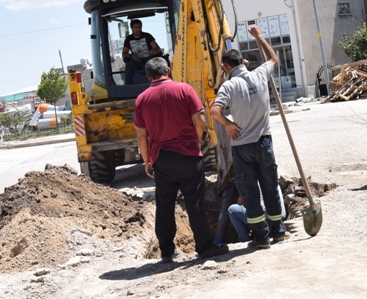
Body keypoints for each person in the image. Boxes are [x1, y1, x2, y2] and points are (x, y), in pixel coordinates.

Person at [134, 57, 226, 262]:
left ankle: (167, 251)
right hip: (188, 155)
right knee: (195, 202)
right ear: (168, 71)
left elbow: (141, 135)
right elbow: (200, 121)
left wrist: (147, 162)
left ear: (148, 77)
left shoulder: (141, 99)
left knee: (164, 205)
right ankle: (204, 247)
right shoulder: (184, 89)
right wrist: (196, 141)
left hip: (161, 158)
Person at [209, 25, 286, 249]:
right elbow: (273, 58)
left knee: (250, 192)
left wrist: (229, 125)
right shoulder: (260, 74)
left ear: (226, 67)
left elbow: (215, 111)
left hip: (242, 146)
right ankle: (278, 232)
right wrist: (259, 37)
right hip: (264, 142)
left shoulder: (228, 86)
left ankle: (261, 238)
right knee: (270, 186)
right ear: (243, 62)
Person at [122, 19, 163, 84]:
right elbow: (124, 53)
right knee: (128, 65)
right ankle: (128, 86)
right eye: (135, 27)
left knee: (153, 64)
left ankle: (157, 83)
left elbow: (157, 48)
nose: (138, 29)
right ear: (132, 28)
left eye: (139, 27)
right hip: (136, 61)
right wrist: (131, 56)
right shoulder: (128, 39)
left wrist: (154, 51)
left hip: (148, 59)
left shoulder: (147, 36)